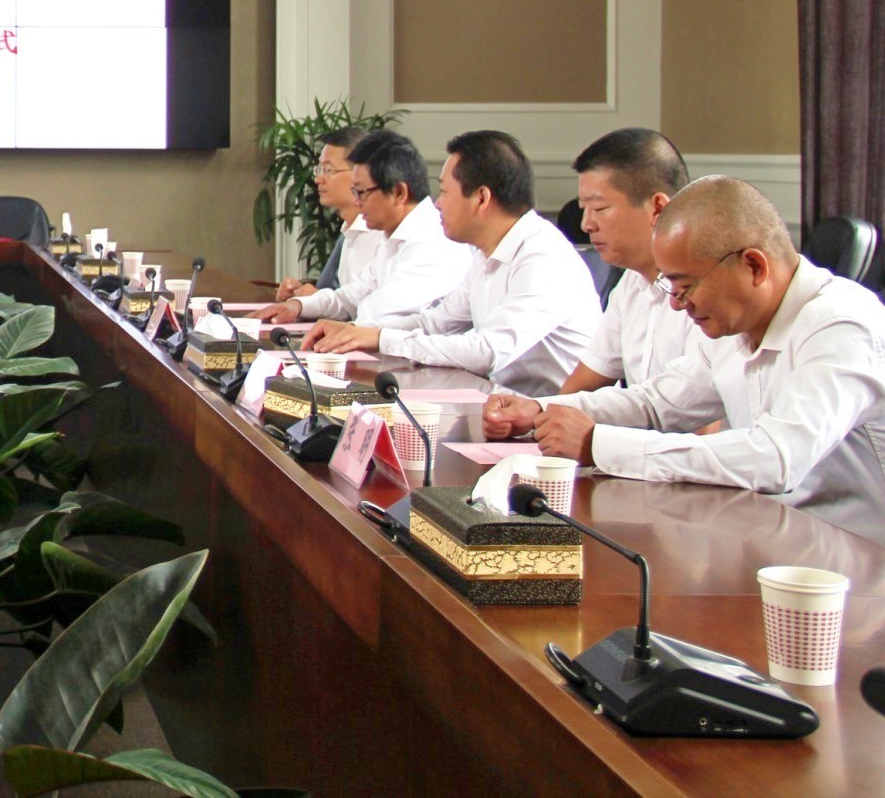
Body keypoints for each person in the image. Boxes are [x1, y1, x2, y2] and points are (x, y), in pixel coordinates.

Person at [482, 177, 885, 546]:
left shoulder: (841, 325)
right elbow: (657, 404)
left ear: (753, 266)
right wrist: (541, 411)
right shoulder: (736, 324)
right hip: (770, 534)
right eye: (669, 284)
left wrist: (598, 444)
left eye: (685, 285)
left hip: (856, 562)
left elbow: (776, 458)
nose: (676, 303)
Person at [304, 130, 600, 397]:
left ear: (481, 198)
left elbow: (488, 351)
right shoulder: (487, 252)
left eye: (445, 191)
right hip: (504, 406)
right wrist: (361, 332)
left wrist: (381, 338)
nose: (437, 204)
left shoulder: (542, 257)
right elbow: (436, 323)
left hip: (551, 421)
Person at [255, 130, 471, 327]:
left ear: (398, 193)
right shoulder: (394, 236)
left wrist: (338, 327)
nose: (357, 202)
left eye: (362, 192)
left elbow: (379, 314)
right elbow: (352, 296)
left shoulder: (434, 240)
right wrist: (298, 306)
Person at [554, 128, 700, 395]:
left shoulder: (707, 290)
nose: (586, 225)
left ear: (658, 208)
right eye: (584, 209)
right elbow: (582, 387)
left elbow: (692, 412)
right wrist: (539, 410)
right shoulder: (631, 282)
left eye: (599, 208)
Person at [271, 126, 382, 301]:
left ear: (360, 173)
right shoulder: (350, 231)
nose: (318, 179)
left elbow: (368, 308)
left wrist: (317, 298)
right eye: (319, 169)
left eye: (328, 170)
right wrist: (304, 296)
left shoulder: (378, 234)